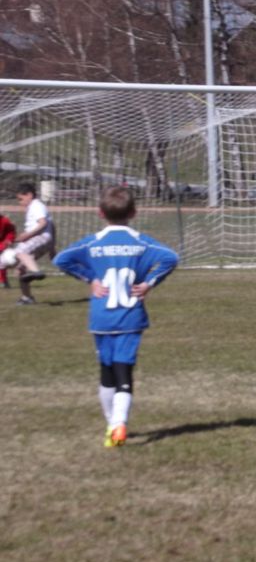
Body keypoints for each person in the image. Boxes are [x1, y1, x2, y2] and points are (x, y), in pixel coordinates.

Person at [53, 186, 179, 448]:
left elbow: (61, 259)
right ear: (133, 212)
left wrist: (90, 279)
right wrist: (149, 283)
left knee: (106, 372)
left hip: (101, 316)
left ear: (100, 213)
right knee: (124, 372)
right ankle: (118, 424)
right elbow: (170, 257)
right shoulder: (140, 242)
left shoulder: (93, 243)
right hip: (130, 316)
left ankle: (112, 424)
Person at [12, 182, 56, 305]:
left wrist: (27, 235)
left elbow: (43, 223)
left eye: (21, 199)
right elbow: (52, 225)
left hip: (40, 238)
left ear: (29, 195)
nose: (20, 202)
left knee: (19, 252)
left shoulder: (36, 205)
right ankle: (27, 298)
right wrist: (52, 248)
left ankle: (37, 272)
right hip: (44, 240)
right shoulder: (36, 207)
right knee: (21, 269)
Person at [0, 212, 15, 288]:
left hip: (1, 243)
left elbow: (11, 231)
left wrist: (9, 240)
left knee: (1, 262)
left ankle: (3, 281)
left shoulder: (4, 221)